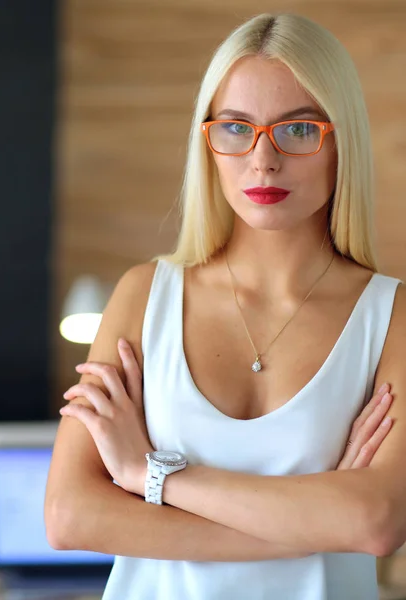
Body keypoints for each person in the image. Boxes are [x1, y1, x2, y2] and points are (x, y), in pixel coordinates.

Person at [45, 12, 406, 600]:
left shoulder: (394, 318)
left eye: (297, 130)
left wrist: (148, 474)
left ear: (342, 140)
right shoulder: (143, 295)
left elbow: (376, 521)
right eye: (237, 128)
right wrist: (311, 521)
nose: (262, 161)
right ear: (207, 142)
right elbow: (69, 515)